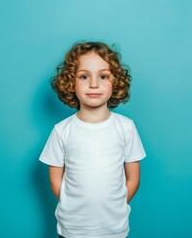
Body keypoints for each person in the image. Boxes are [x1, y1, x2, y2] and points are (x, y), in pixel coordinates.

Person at [39, 41, 146, 238]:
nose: (94, 84)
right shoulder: (62, 130)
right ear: (71, 82)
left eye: (103, 76)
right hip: (72, 230)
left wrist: (117, 205)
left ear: (116, 82)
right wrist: (74, 207)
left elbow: (133, 178)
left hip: (113, 230)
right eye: (84, 76)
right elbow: (55, 179)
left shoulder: (126, 128)